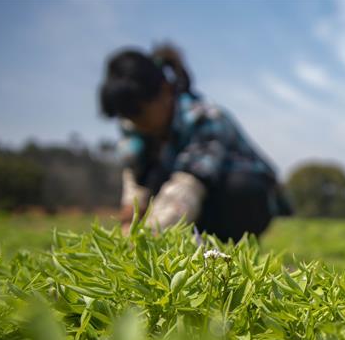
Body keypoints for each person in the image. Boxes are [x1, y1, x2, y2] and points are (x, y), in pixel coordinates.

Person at [99, 44, 293, 241]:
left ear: (164, 92)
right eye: (127, 116)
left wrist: (149, 237)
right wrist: (129, 221)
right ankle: (183, 241)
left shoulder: (205, 118)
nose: (135, 123)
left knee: (240, 189)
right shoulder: (135, 127)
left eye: (139, 113)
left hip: (233, 198)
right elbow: (136, 174)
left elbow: (189, 183)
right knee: (155, 175)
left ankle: (226, 249)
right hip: (186, 198)